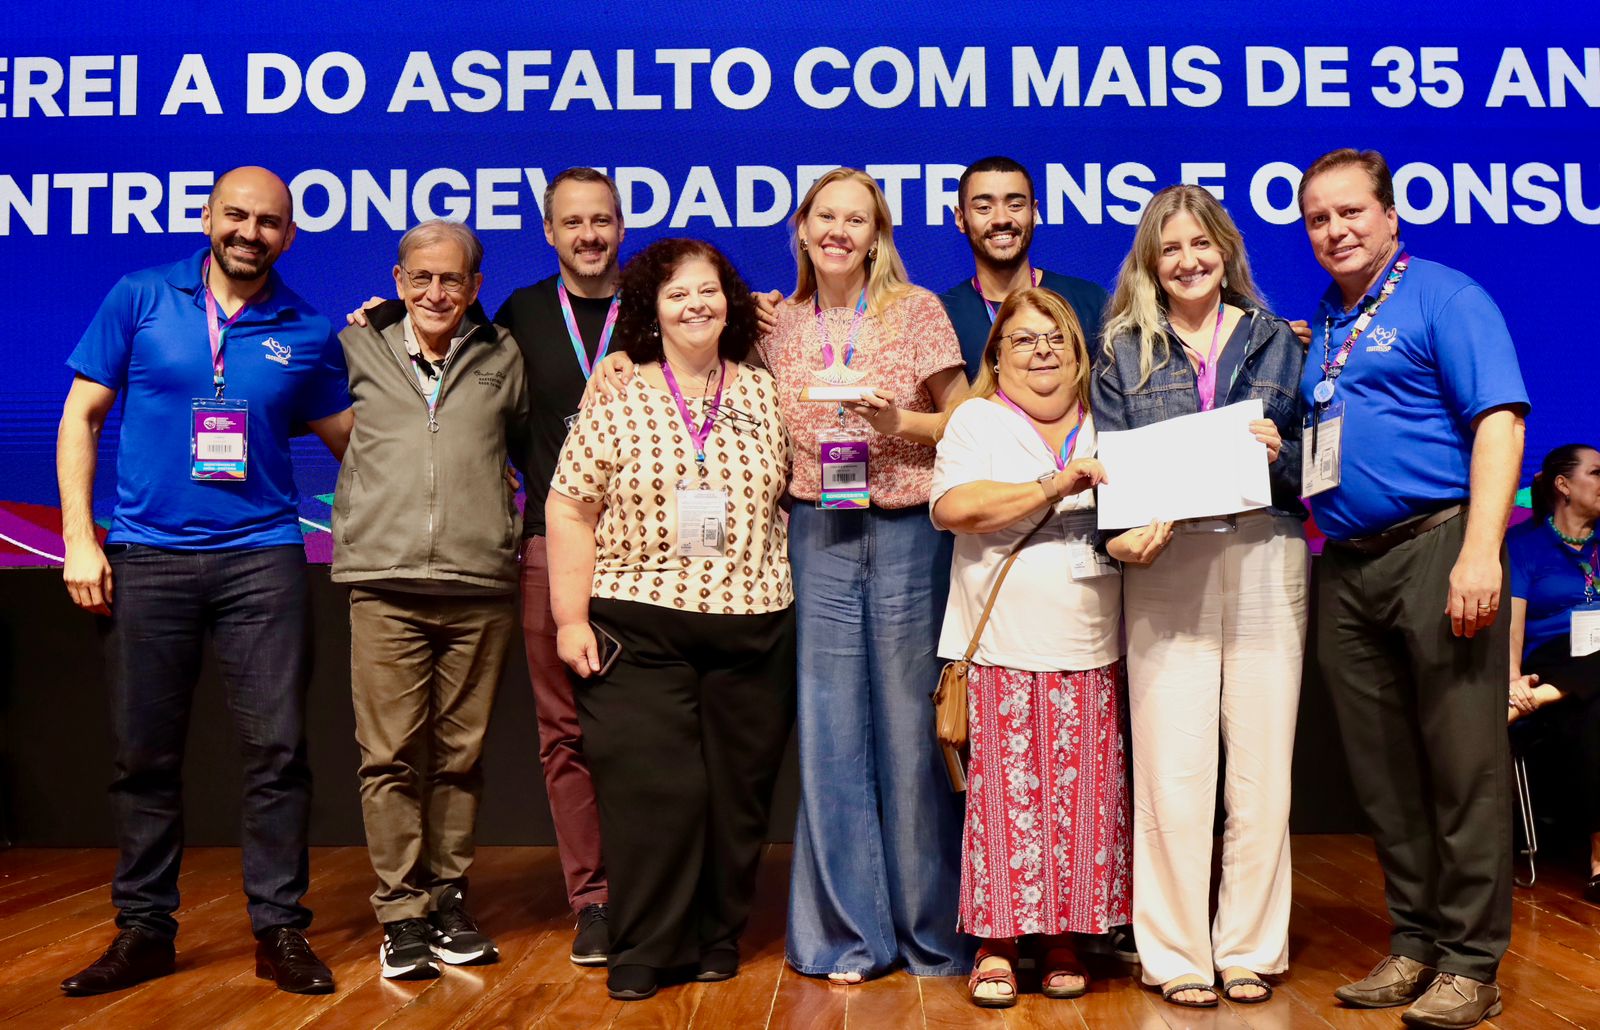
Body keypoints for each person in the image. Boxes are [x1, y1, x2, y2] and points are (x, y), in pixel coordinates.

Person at [55, 166, 351, 997]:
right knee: (143, 757)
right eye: (236, 215)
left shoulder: (308, 326)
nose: (250, 232)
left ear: (288, 236)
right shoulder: (140, 297)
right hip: (146, 557)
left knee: (278, 754)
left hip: (263, 558)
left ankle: (280, 929)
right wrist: (81, 539)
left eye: (268, 222)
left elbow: (357, 446)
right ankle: (144, 931)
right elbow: (81, 414)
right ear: (208, 218)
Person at [347, 167, 621, 964]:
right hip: (529, 550)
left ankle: (636, 890)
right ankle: (422, 913)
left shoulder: (646, 308)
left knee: (490, 751)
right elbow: (369, 423)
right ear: (548, 230)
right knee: (533, 738)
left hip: (633, 556)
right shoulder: (512, 321)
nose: (588, 234)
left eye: (601, 219)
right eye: (572, 221)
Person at [1298, 148, 1527, 1030]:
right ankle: (1416, 941)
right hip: (1349, 562)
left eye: (1351, 213)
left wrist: (1482, 553)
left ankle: (1473, 960)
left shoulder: (1447, 296)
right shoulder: (1325, 317)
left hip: (1440, 548)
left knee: (1462, 768)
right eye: (1318, 219)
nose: (1336, 231)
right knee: (1385, 777)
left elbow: (1499, 422)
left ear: (1391, 217)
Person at [547, 238, 795, 1002]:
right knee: (655, 793)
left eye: (709, 291)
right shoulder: (615, 391)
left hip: (754, 622)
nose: (695, 305)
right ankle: (645, 947)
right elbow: (568, 503)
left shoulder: (763, 389)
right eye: (678, 294)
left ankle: (715, 937)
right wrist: (568, 618)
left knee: (736, 796)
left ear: (731, 303)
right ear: (651, 311)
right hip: (638, 622)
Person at [1092, 184, 1307, 1010]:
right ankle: (1177, 951)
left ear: (1226, 250)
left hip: (1266, 554)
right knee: (1172, 768)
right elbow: (1110, 465)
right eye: (1169, 248)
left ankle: (1250, 946)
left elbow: (1309, 460)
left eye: (1200, 244)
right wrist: (1120, 535)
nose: (1186, 261)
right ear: (1151, 260)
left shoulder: (1276, 339)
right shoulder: (1120, 348)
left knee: (1262, 768)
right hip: (1167, 560)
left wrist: (1281, 450)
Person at [931, 287, 1160, 1008]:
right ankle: (997, 944)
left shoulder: (1107, 422)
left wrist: (1145, 539)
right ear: (996, 355)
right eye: (1024, 341)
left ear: (1079, 352)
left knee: (1083, 805)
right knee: (1007, 806)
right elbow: (954, 509)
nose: (1042, 354)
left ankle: (1065, 941)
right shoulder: (976, 420)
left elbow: (1126, 521)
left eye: (1056, 339)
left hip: (1093, 647)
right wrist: (1055, 483)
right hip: (1000, 646)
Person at [333, 219, 529, 979]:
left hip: (478, 582)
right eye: (421, 278)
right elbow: (333, 431)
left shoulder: (504, 356)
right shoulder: (355, 347)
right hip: (383, 582)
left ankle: (447, 899)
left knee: (460, 758)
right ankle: (401, 914)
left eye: (452, 279)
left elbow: (521, 444)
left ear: (475, 287)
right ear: (398, 278)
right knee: (387, 758)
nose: (436, 292)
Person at [1506, 444, 1600, 902]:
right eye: (1597, 473)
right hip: (1551, 662)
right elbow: (1512, 628)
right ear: (1563, 485)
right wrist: (1512, 681)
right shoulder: (1524, 546)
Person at [937, 156, 1109, 380]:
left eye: (1015, 205)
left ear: (1034, 212)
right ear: (960, 219)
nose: (1001, 219)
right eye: (984, 207)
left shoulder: (1091, 302)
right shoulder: (941, 316)